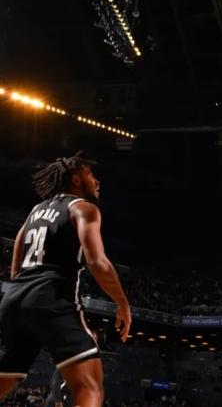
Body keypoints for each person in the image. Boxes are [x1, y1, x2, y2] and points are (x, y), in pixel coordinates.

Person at [0, 153, 132, 407]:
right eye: (91, 175)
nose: (97, 181)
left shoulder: (35, 211)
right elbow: (97, 262)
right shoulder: (83, 208)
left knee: (4, 379)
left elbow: (17, 258)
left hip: (14, 300)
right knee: (89, 386)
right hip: (52, 297)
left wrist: (25, 295)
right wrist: (122, 303)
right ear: (76, 179)